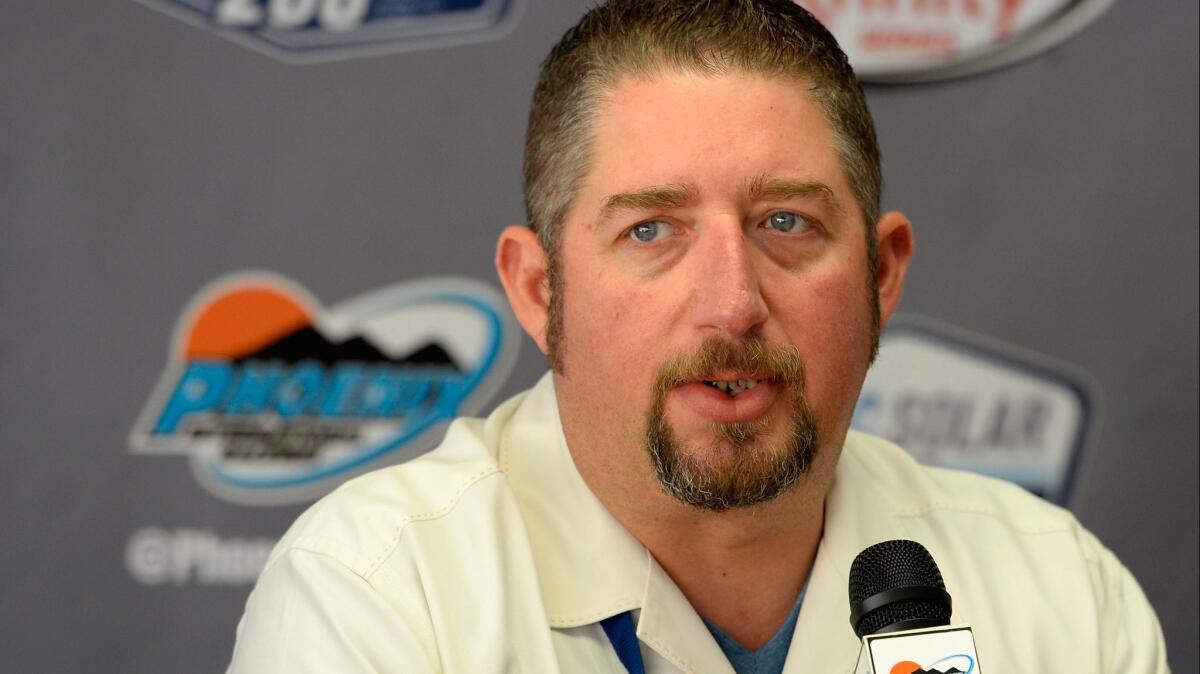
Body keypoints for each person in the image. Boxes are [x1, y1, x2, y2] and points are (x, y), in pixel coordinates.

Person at [227, 1, 1168, 672]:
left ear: (882, 276)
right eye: (652, 231)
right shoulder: (381, 596)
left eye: (787, 223)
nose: (731, 303)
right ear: (540, 288)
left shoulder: (1060, 598)